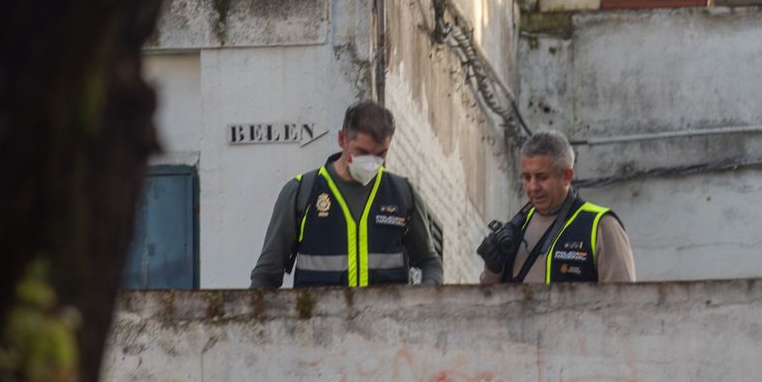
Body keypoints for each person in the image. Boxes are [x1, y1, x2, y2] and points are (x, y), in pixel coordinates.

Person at [250, 101, 443, 288]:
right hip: (318, 319)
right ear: (342, 139)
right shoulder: (301, 193)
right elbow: (266, 275)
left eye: (381, 154)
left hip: (387, 319)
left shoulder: (403, 194)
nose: (371, 161)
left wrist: (425, 296)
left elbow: (430, 262)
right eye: (362, 152)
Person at [477, 130, 635, 284]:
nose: (532, 187)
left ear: (567, 176)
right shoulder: (516, 228)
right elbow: (489, 303)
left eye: (542, 177)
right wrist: (493, 270)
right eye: (526, 177)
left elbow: (622, 302)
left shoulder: (602, 226)